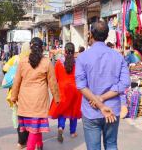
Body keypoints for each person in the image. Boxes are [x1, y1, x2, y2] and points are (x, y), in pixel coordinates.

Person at [76, 21, 130, 150]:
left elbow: (81, 86)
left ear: (91, 35)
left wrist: (99, 102)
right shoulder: (118, 57)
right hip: (111, 109)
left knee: (93, 147)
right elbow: (124, 83)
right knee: (111, 145)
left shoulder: (82, 57)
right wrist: (102, 100)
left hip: (92, 110)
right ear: (106, 36)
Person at [11, 37, 60, 150]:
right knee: (35, 125)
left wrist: (14, 97)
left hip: (25, 98)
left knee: (33, 126)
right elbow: (53, 83)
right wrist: (57, 98)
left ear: (31, 47)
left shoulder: (23, 61)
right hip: (39, 99)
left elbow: (17, 81)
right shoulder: (46, 62)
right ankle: (32, 147)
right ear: (42, 48)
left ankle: (39, 145)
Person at [49, 42, 82, 143]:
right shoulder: (77, 62)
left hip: (62, 89)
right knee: (73, 110)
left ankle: (60, 128)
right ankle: (72, 132)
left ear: (65, 51)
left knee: (62, 110)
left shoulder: (59, 63)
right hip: (75, 89)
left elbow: (56, 78)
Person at [3, 43, 31, 149]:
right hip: (27, 92)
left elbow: (5, 69)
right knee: (28, 116)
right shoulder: (32, 59)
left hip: (15, 91)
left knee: (18, 116)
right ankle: (27, 138)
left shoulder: (15, 58)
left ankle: (20, 142)